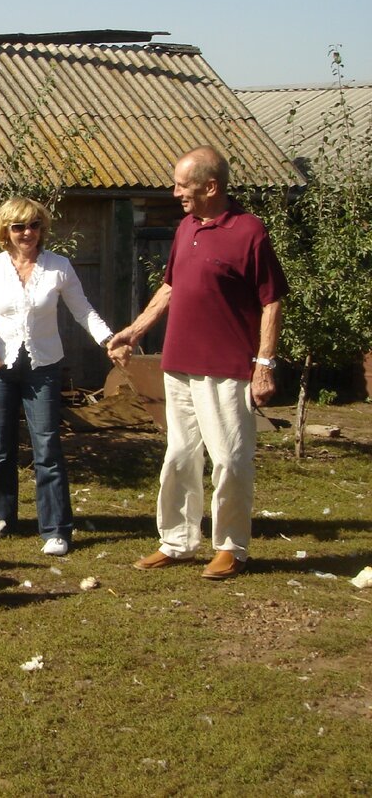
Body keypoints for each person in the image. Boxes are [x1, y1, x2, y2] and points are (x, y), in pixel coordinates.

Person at [109, 146, 287, 580]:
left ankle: (230, 546)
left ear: (211, 186)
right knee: (179, 456)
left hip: (227, 368)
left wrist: (264, 363)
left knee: (229, 458)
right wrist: (136, 328)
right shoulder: (187, 226)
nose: (175, 194)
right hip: (179, 365)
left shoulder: (250, 232)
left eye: (183, 186)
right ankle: (177, 541)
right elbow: (170, 286)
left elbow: (272, 301)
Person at [0, 197, 116, 557]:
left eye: (34, 225)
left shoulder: (58, 267)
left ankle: (55, 529)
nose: (27, 233)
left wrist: (110, 340)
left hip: (44, 367)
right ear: (5, 231)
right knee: (1, 449)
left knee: (47, 448)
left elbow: (84, 311)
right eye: (19, 227)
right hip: (0, 368)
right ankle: (0, 517)